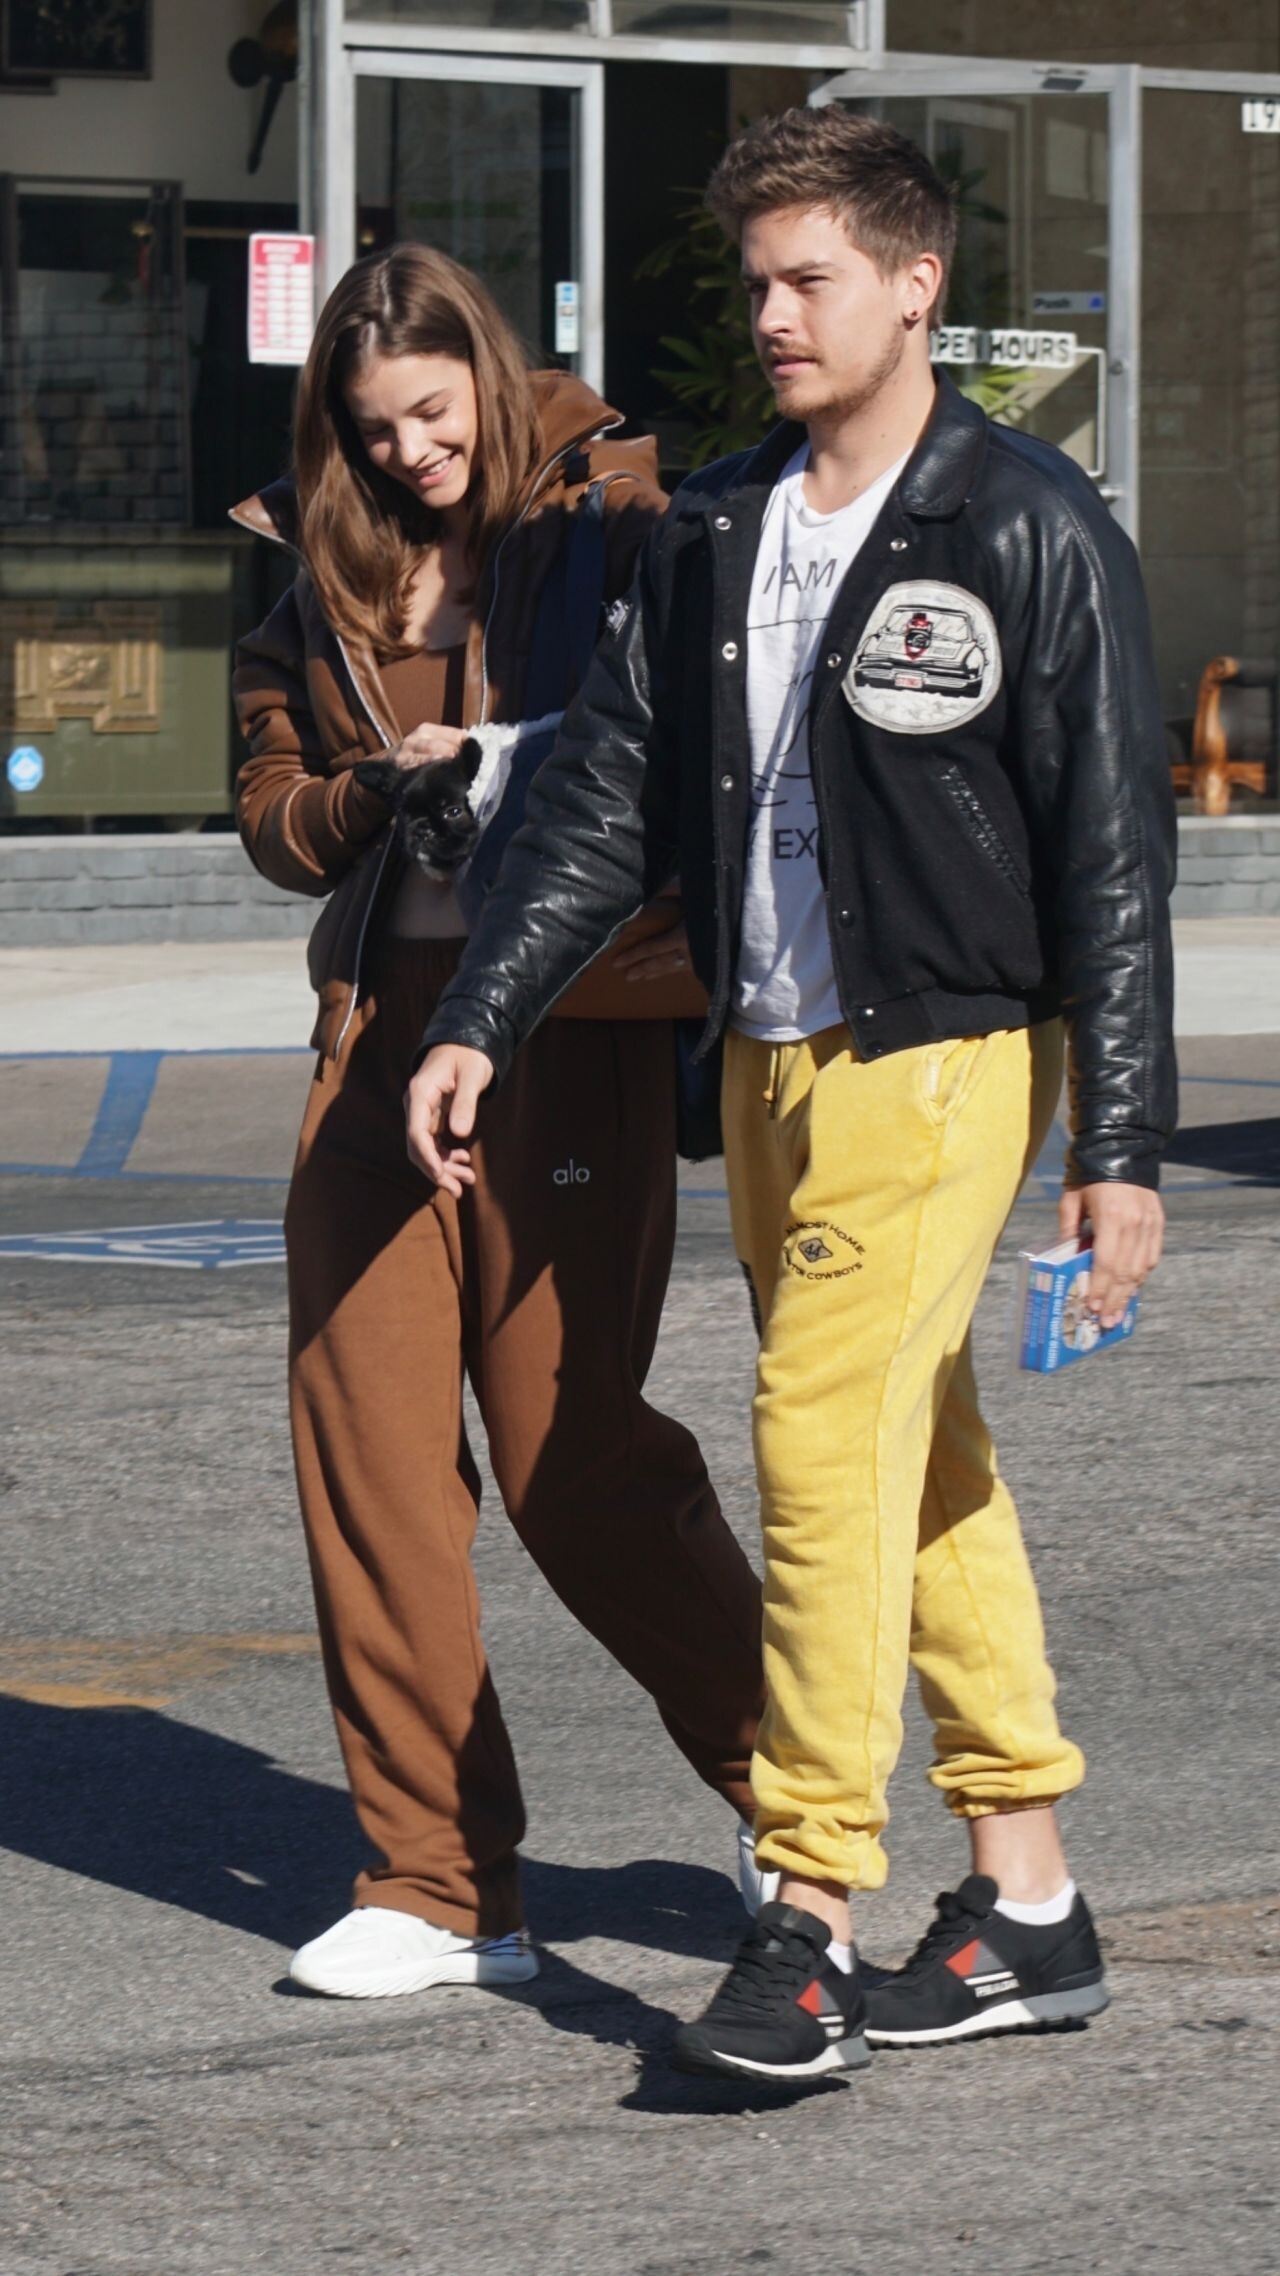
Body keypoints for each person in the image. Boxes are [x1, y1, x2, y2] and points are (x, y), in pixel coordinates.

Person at [407, 109, 1177, 2081]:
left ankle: (809, 1910)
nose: (771, 314)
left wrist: (1119, 1145)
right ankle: (1026, 1898)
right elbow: (606, 795)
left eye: (809, 278)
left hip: (945, 1054)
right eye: (754, 280)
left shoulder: (1025, 524)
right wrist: (484, 1010)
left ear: (917, 287)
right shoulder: (722, 523)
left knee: (820, 1449)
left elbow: (1112, 852)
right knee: (916, 1457)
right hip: (767, 1058)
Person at [231, 244, 765, 2001]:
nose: (409, 453)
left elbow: (693, 741)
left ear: (485, 368)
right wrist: (360, 797)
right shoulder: (321, 565)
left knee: (573, 1459)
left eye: (431, 412)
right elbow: (266, 803)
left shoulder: (619, 517)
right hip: (378, 1029)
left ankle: (796, 1796)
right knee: (369, 1462)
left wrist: (516, 755)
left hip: (571, 1023)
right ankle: (441, 1882)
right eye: (374, 429)